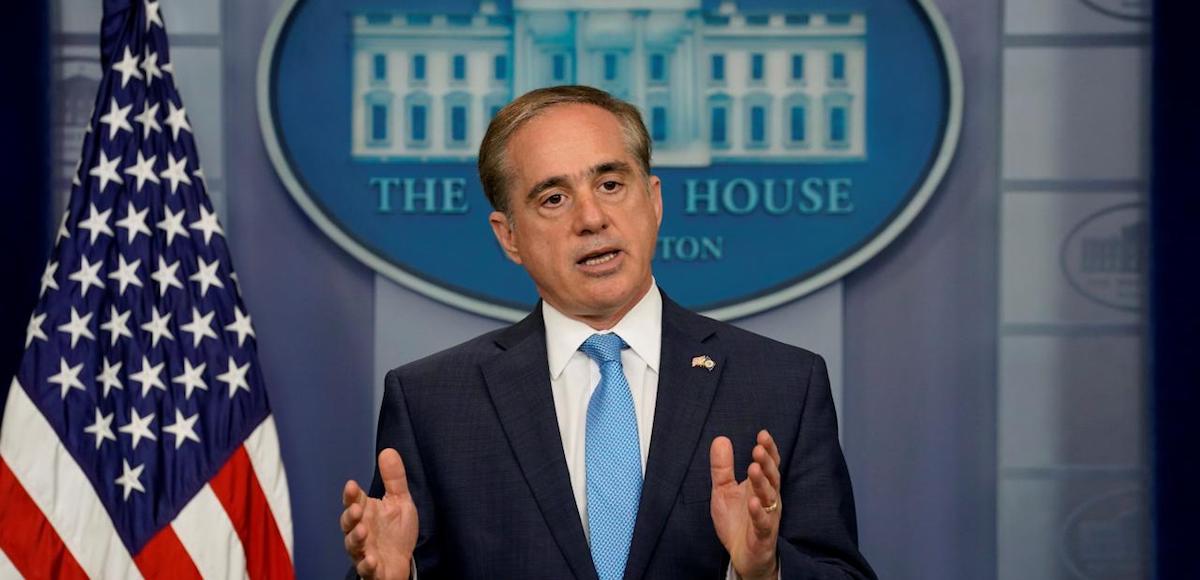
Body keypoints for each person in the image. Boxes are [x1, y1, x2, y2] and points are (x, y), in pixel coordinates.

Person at [339, 85, 875, 580]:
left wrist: (765, 571)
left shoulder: (781, 383)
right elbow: (389, 560)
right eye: (554, 198)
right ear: (509, 238)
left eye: (611, 184)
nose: (592, 217)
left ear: (654, 200)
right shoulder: (434, 402)